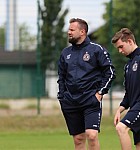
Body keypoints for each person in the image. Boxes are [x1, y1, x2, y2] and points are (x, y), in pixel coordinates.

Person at [57, 18, 116, 150]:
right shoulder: (65, 53)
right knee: (78, 139)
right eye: (69, 29)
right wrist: (62, 97)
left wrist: (100, 93)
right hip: (70, 101)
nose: (69, 32)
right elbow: (61, 77)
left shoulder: (96, 50)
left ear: (82, 31)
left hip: (90, 100)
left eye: (72, 29)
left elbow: (110, 72)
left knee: (92, 135)